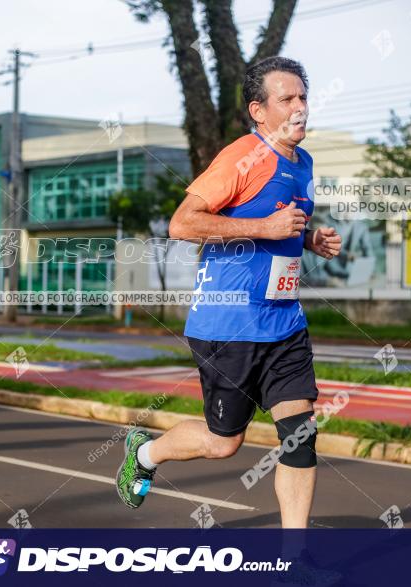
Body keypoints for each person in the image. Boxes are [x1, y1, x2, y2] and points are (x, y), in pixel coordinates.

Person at [116, 57, 343, 530]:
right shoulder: (241, 157)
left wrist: (309, 239)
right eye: (288, 99)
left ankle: (295, 562)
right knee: (224, 443)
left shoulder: (303, 163)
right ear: (259, 111)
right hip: (227, 326)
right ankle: (148, 452)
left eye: (304, 97)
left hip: (283, 323)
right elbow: (183, 223)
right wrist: (265, 226)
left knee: (299, 436)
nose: (300, 107)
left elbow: (283, 222)